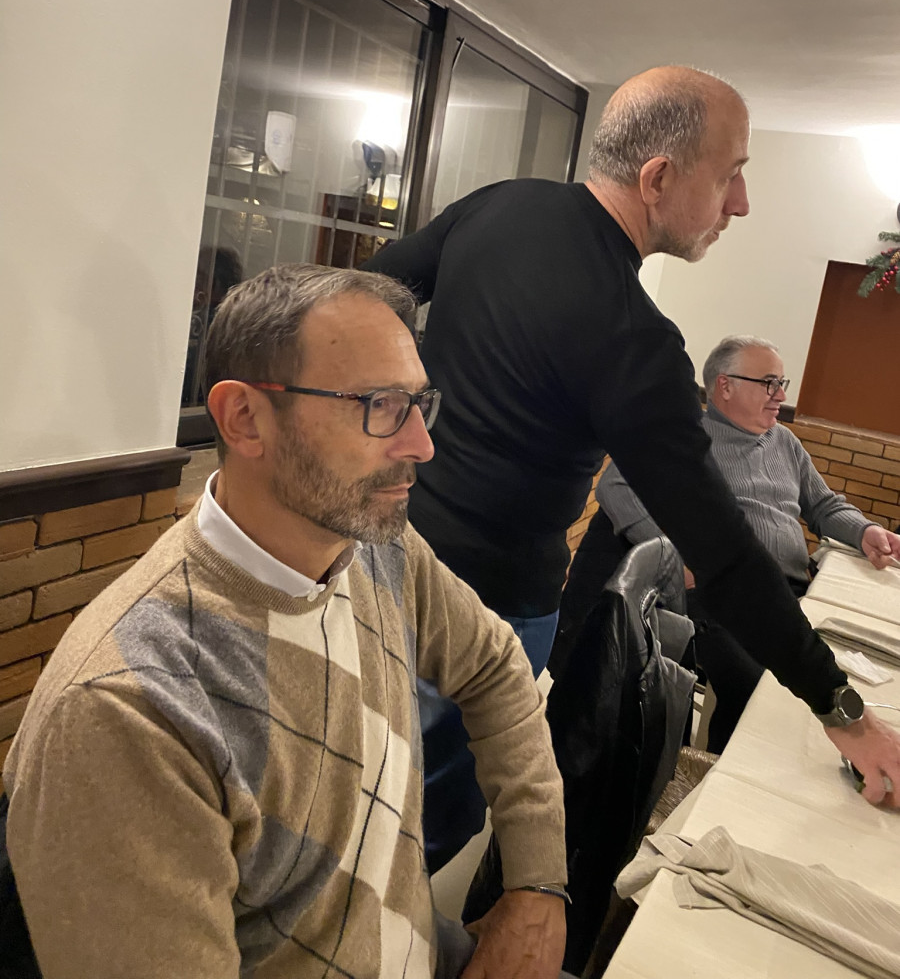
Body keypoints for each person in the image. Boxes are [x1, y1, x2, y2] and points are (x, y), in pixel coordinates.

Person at [363, 64, 900, 869]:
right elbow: (722, 551)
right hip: (489, 611)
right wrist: (842, 709)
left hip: (380, 555)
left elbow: (364, 291)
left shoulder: (502, 203)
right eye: (731, 174)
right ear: (658, 179)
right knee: (418, 826)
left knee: (352, 779)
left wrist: (390, 403)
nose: (740, 203)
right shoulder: (635, 339)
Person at [3, 264, 570, 979]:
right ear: (244, 418)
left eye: (418, 403)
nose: (421, 445)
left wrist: (537, 881)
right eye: (379, 405)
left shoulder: (373, 548)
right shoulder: (130, 710)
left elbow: (495, 665)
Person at [595, 334, 900, 750]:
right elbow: (614, 487)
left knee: (854, 672)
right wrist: (677, 555)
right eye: (770, 383)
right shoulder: (689, 437)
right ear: (725, 385)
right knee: (756, 691)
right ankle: (723, 770)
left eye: (782, 384)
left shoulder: (784, 441)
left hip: (789, 589)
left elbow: (823, 504)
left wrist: (864, 531)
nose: (781, 396)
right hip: (724, 594)